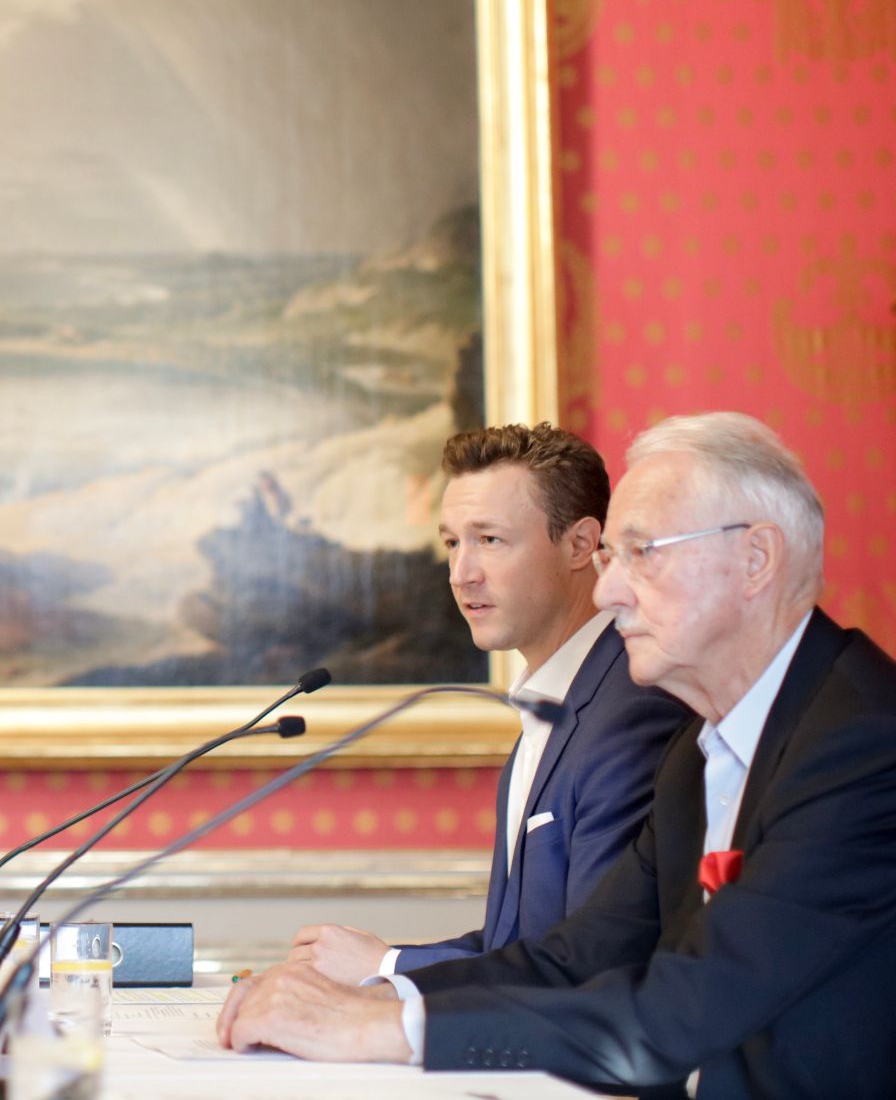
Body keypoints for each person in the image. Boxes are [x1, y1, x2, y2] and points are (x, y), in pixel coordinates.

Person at [218, 411, 896, 1098]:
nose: (607, 591)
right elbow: (577, 957)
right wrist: (381, 1001)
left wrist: (376, 1031)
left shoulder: (865, 745)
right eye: (613, 558)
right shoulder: (699, 748)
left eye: (642, 553)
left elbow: (680, 1008)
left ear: (755, 559)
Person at [292, 423, 686, 986]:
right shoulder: (553, 701)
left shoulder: (632, 710)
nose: (461, 574)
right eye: (453, 542)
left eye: (490, 540)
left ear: (580, 545)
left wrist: (386, 966)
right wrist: (376, 969)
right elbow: (513, 944)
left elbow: (593, 960)